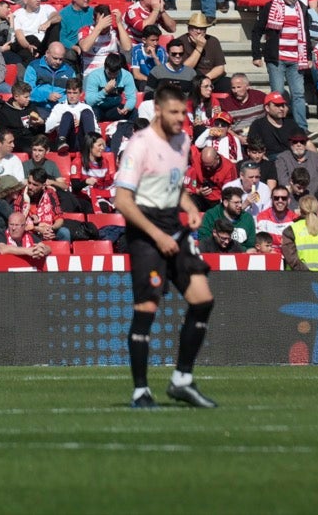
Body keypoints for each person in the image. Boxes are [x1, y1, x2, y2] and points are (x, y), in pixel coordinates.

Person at [114, 81, 218, 410]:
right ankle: (140, 391)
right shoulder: (140, 145)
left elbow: (173, 184)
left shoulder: (183, 140)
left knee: (202, 300)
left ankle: (182, 380)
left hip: (174, 225)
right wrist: (156, 236)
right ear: (157, 110)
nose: (180, 118)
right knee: (147, 309)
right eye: (174, 112)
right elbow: (122, 201)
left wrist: (187, 204)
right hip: (146, 232)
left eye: (184, 112)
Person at [281, 192, 318, 270]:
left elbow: (291, 258)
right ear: (316, 208)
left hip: (296, 279)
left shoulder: (291, 230)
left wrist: (306, 275)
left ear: (301, 209)